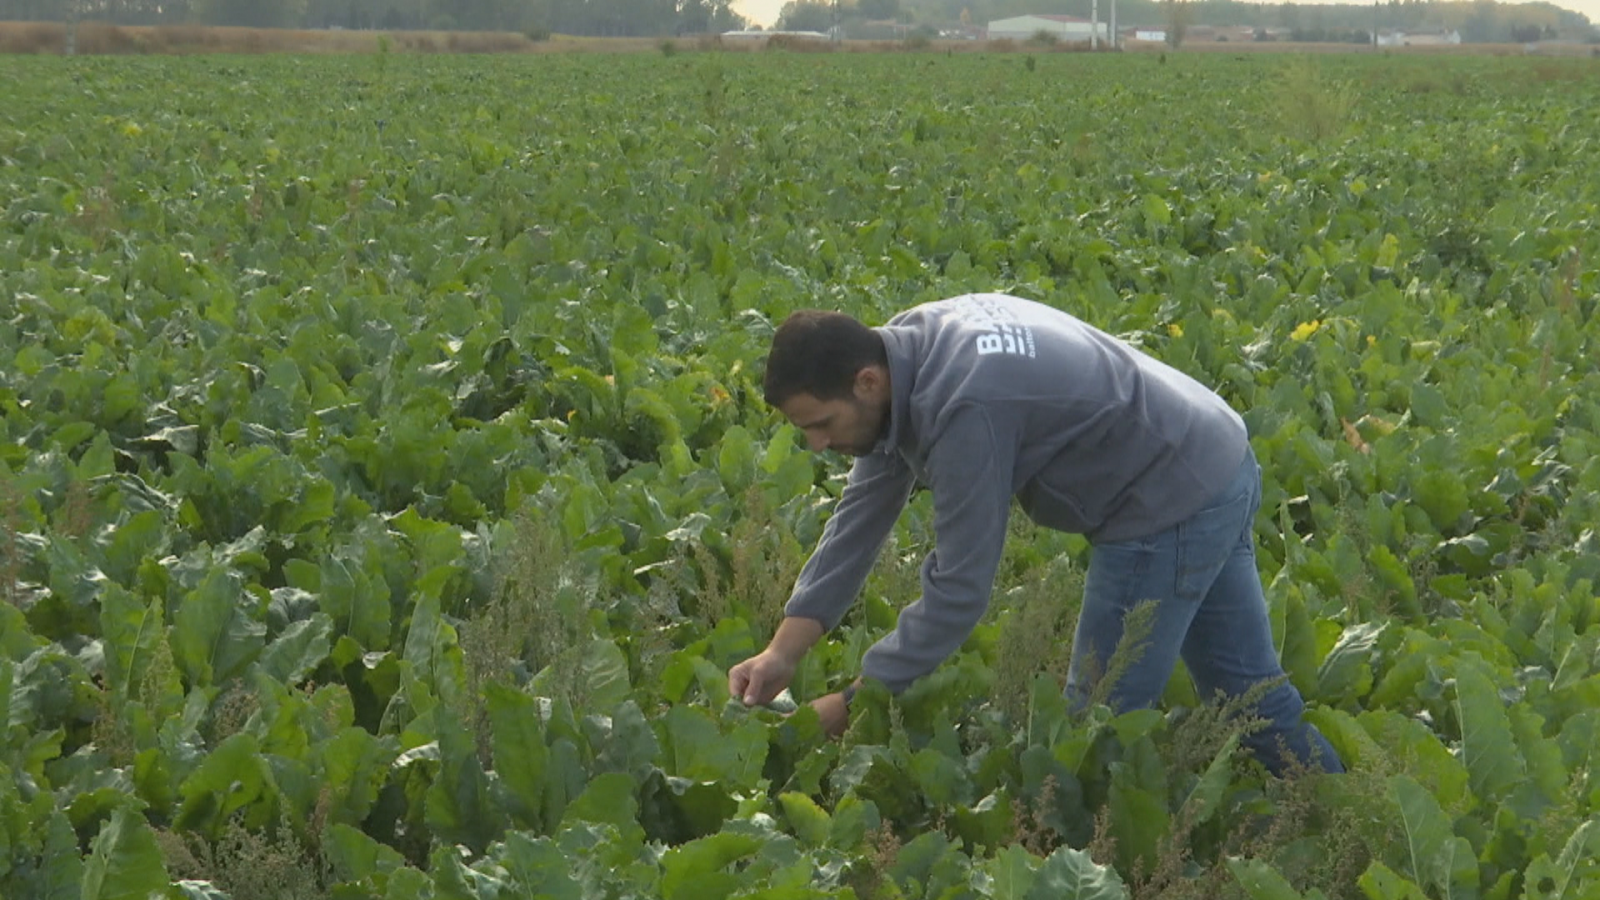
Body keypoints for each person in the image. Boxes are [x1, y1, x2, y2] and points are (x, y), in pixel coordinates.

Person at [726, 293, 1343, 776]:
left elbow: (960, 591)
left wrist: (857, 701)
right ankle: (1340, 805)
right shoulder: (905, 350)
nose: (817, 444)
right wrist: (783, 652)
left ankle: (1090, 860)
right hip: (1213, 452)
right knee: (1245, 695)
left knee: (1091, 729)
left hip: (1163, 500)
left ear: (866, 382)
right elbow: (862, 514)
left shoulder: (965, 409)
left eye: (821, 424)